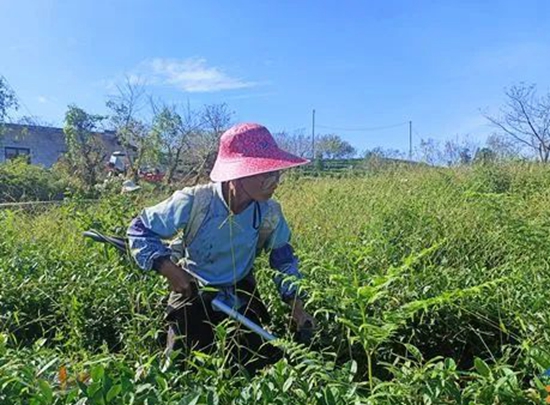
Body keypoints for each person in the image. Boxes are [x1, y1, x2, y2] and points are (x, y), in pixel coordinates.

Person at [127, 122, 316, 371]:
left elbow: (283, 260)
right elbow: (139, 229)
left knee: (255, 363)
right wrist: (170, 270)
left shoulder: (269, 213)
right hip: (193, 288)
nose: (275, 181)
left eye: (277, 173)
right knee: (182, 366)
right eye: (266, 173)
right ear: (237, 173)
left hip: (239, 291)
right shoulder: (196, 202)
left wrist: (296, 307)